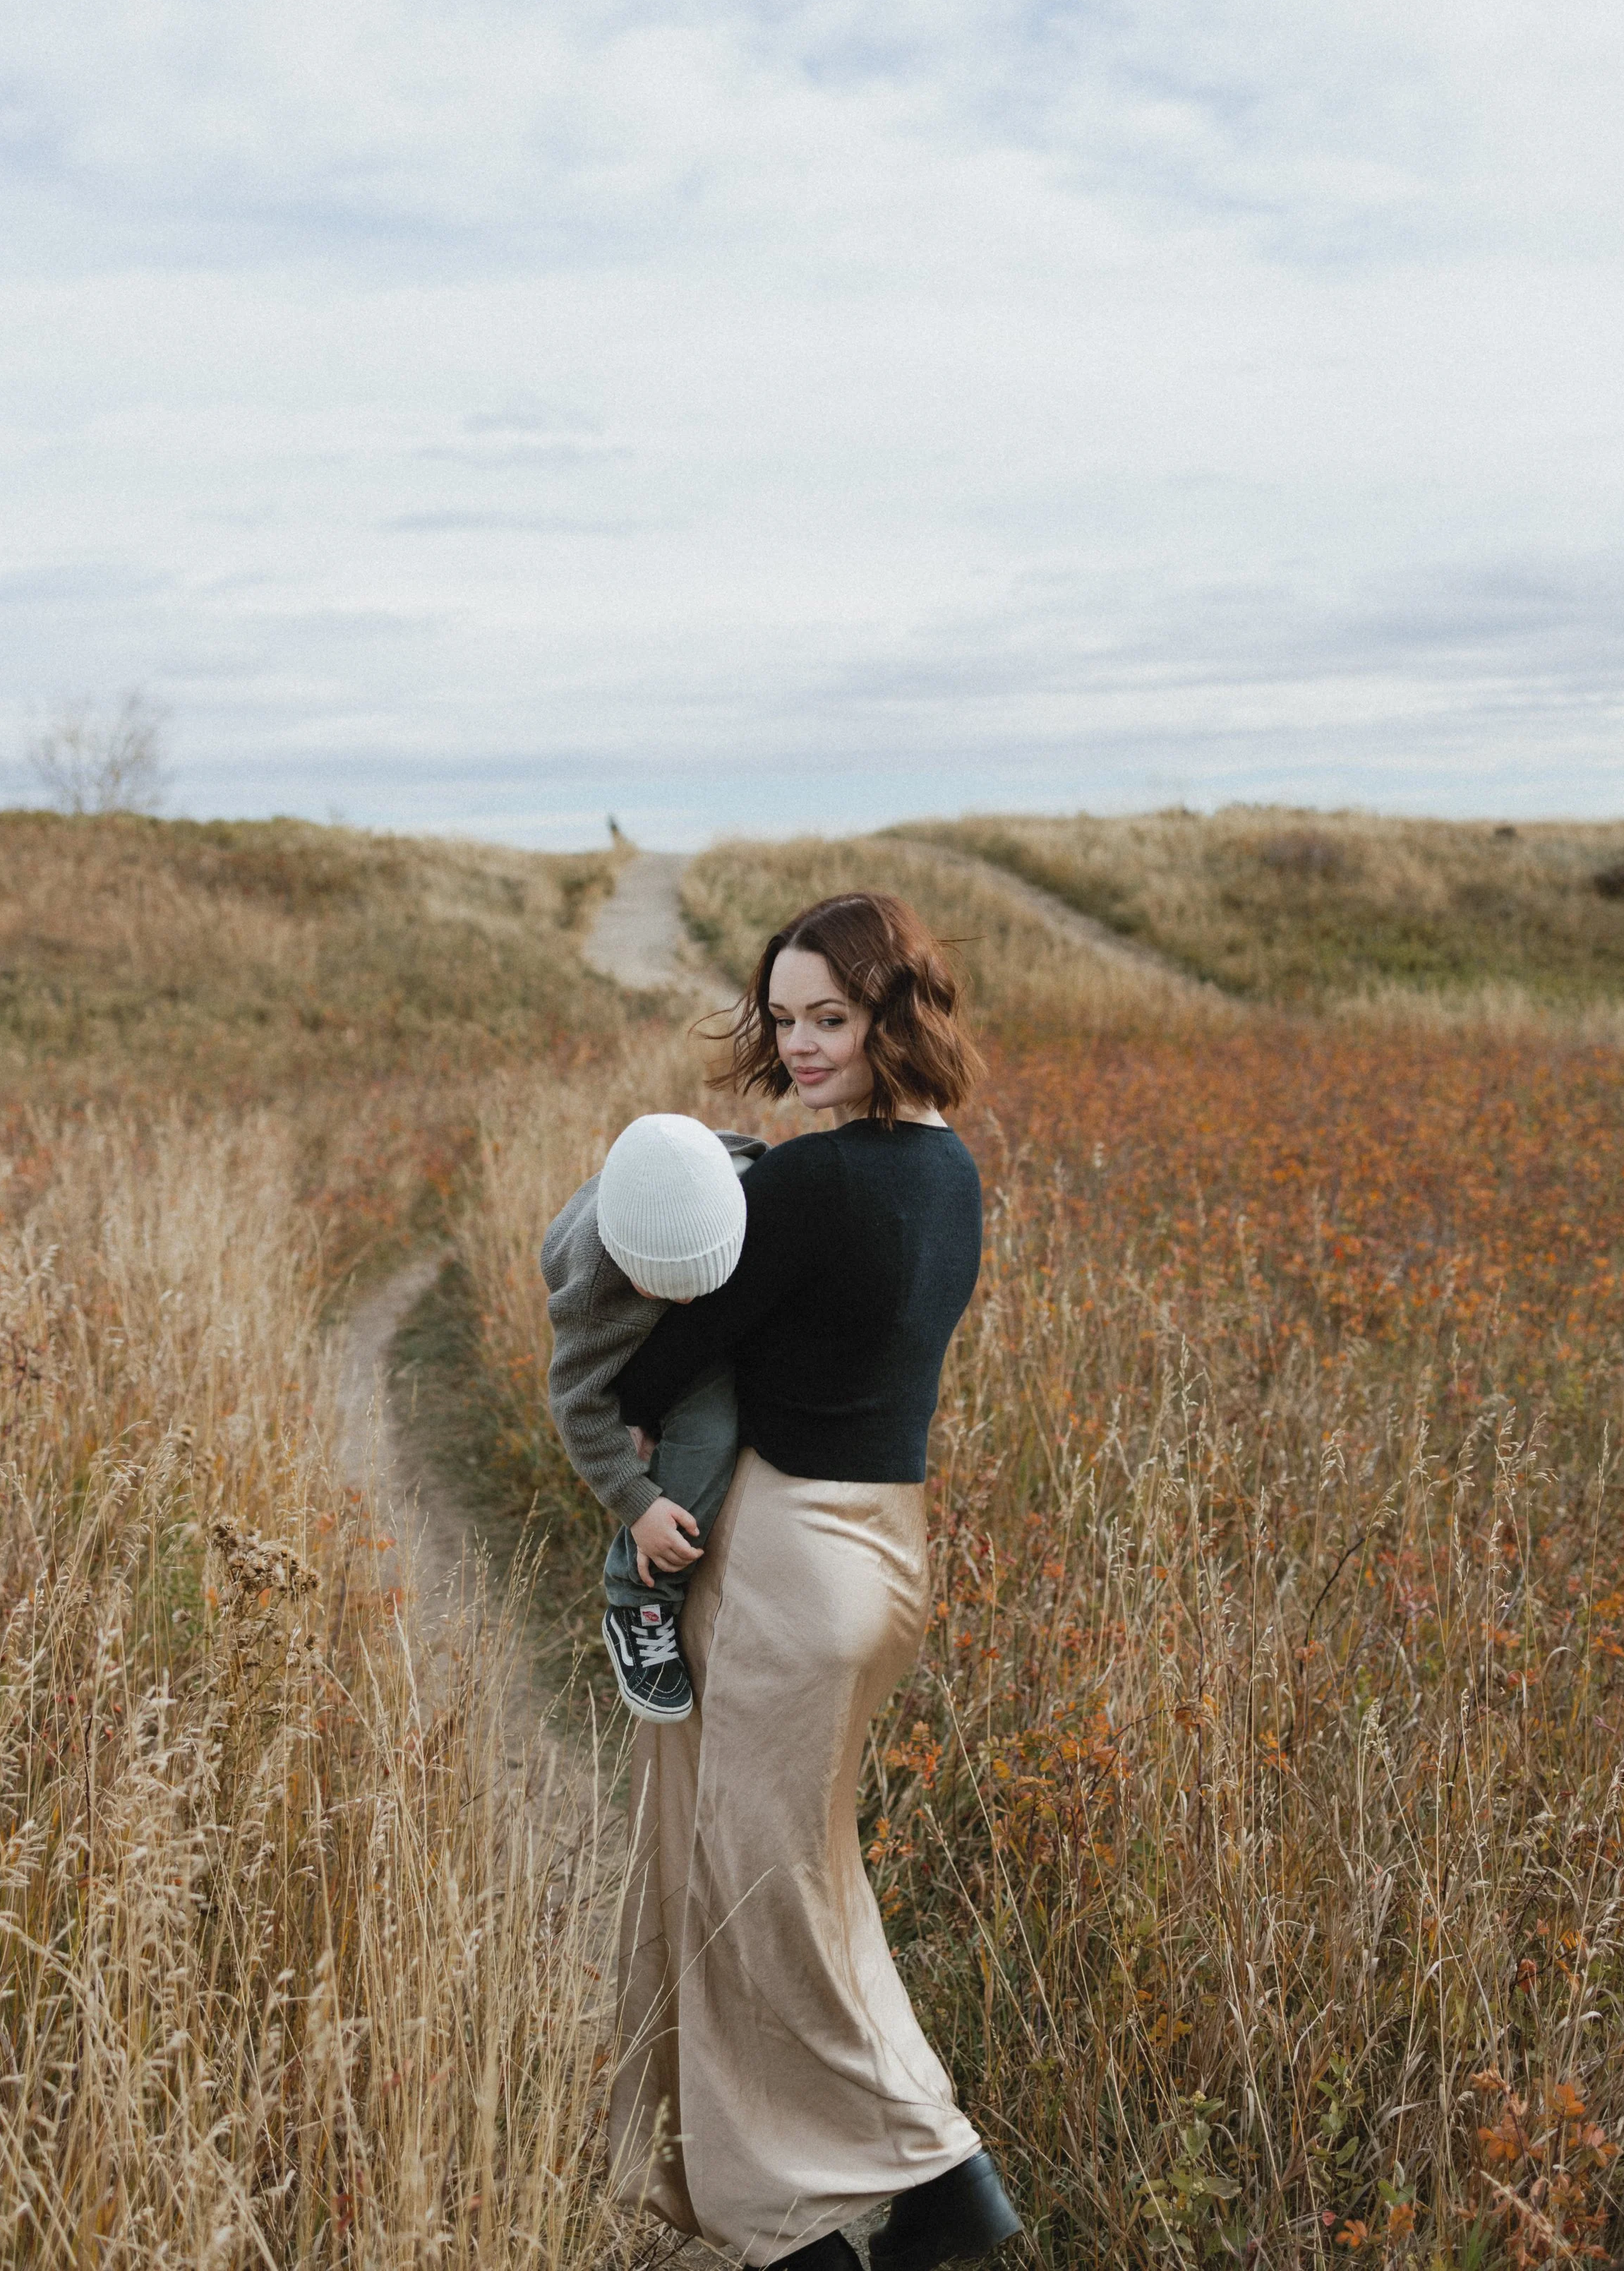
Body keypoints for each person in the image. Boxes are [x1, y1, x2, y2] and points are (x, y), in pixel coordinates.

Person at [607, 892, 1023, 2271]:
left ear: (888, 1015)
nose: (796, 1045)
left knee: (750, 1885)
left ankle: (926, 2167)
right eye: (781, 1019)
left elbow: (652, 1372)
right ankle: (797, 2219)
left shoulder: (804, 1184)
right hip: (888, 1555)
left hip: (785, 1557)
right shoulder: (948, 1170)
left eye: (826, 1019)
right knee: (801, 1877)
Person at [542, 1110, 765, 1721]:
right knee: (709, 1432)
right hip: (634, 1342)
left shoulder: (741, 1177)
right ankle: (640, 1601)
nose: (686, 1299)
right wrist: (636, 1504)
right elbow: (575, 1402)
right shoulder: (596, 1296)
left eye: (699, 1283)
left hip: (711, 1307)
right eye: (664, 1288)